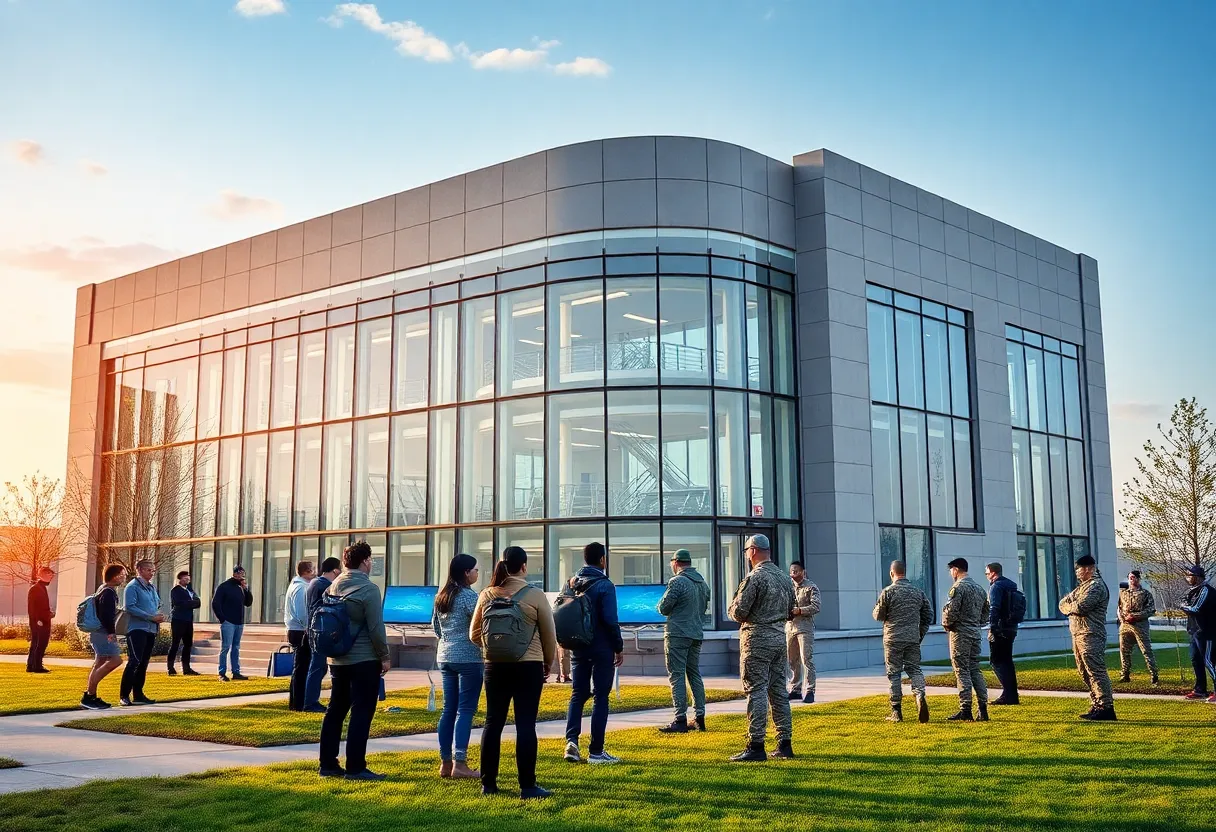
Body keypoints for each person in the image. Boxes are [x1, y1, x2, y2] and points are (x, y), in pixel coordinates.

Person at [470, 546, 557, 800]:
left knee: (492, 723)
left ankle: (488, 784)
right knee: (526, 725)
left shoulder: (486, 594)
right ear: (524, 566)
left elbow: (474, 634)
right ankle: (527, 786)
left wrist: (494, 647)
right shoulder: (535, 595)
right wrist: (547, 662)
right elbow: (549, 635)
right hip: (528, 666)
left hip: (494, 666)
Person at [318, 541, 391, 781]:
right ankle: (356, 767)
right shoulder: (369, 589)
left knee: (335, 710)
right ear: (365, 561)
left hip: (337, 658)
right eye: (370, 559)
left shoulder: (333, 586)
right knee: (362, 711)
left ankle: (328, 764)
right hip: (364, 659)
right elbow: (376, 628)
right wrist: (385, 656)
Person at [726, 534, 796, 762]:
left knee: (755, 690)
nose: (746, 555)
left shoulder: (755, 578)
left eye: (747, 550)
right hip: (779, 639)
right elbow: (790, 611)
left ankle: (755, 745)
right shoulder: (785, 578)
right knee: (778, 692)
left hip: (756, 639)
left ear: (753, 550)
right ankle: (784, 743)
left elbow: (738, 612)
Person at [562, 541, 625, 765]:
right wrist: (618, 647)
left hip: (577, 645)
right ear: (602, 560)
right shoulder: (605, 585)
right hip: (601, 647)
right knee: (601, 697)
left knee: (578, 694)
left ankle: (571, 742)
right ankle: (596, 752)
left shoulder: (571, 583)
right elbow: (610, 620)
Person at [432, 553, 483, 779]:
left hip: (445, 656)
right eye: (475, 570)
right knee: (465, 710)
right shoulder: (470, 597)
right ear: (466, 573)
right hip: (468, 658)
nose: (477, 573)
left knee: (448, 710)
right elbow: (481, 626)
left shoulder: (441, 596)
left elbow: (436, 629)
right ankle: (460, 763)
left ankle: (445, 762)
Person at [656, 548, 711, 733]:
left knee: (677, 675)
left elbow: (664, 608)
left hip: (678, 634)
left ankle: (680, 719)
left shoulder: (677, 582)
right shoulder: (702, 583)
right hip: (696, 633)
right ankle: (699, 717)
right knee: (694, 673)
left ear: (676, 562)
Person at [873, 560, 933, 723]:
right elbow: (928, 615)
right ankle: (919, 694)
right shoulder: (918, 592)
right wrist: (919, 633)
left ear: (892, 573)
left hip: (893, 638)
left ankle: (896, 711)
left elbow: (878, 615)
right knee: (914, 669)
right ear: (905, 573)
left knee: (894, 673)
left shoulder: (888, 592)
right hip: (912, 638)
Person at [1059, 554, 1115, 720]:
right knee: (1084, 671)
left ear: (1089, 568)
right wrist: (1070, 607)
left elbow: (1081, 606)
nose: (1077, 572)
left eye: (1079, 569)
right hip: (1078, 634)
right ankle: (1097, 703)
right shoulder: (1082, 587)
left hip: (1090, 634)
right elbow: (1062, 603)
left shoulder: (1096, 586)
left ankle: (1106, 707)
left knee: (1095, 671)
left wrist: (1070, 607)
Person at [941, 558, 990, 722]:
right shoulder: (980, 589)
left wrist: (947, 624)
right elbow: (986, 613)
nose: (951, 574)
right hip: (975, 633)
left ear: (956, 569)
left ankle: (965, 709)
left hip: (960, 633)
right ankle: (983, 709)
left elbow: (951, 611)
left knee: (961, 670)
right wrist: (976, 624)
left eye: (951, 570)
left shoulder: (958, 587)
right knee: (975, 669)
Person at [80, 563, 126, 709]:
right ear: (115, 576)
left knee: (99, 662)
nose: (124, 577)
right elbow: (107, 616)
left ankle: (90, 696)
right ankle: (89, 694)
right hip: (103, 633)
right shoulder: (108, 593)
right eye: (122, 574)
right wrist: (112, 633)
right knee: (116, 660)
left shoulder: (102, 589)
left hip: (98, 633)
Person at [119, 558, 165, 706]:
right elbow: (129, 607)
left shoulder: (151, 587)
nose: (151, 573)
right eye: (148, 570)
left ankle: (138, 694)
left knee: (144, 662)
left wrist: (158, 615)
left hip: (151, 629)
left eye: (153, 570)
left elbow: (156, 603)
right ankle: (124, 696)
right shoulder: (132, 587)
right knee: (134, 661)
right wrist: (151, 616)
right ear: (139, 570)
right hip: (137, 629)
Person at [303, 557, 342, 712]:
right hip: (321, 631)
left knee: (318, 667)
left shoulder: (314, 583)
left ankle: (311, 701)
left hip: (314, 629)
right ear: (335, 570)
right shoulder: (326, 586)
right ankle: (310, 703)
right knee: (317, 667)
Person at [984, 562, 1020, 705]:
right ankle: (1011, 694)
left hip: (1000, 628)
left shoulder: (996, 587)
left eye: (987, 573)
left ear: (993, 573)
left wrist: (992, 627)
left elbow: (994, 608)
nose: (986, 576)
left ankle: (1009, 695)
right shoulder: (1011, 586)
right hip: (1011, 627)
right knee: (1007, 662)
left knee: (996, 661)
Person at [786, 560, 821, 704]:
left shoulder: (811, 587)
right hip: (790, 627)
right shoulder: (788, 587)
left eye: (796, 571)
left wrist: (800, 610)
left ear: (803, 572)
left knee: (806, 658)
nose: (793, 574)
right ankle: (795, 689)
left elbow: (816, 606)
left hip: (804, 628)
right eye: (791, 571)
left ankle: (810, 690)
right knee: (792, 660)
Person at [211, 564, 253, 682]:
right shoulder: (224, 587)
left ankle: (236, 672)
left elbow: (248, 602)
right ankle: (222, 673)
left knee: (236, 648)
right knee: (225, 648)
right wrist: (222, 619)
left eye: (243, 574)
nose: (241, 576)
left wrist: (246, 589)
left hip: (239, 622)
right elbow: (215, 603)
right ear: (234, 574)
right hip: (228, 622)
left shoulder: (241, 587)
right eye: (239, 574)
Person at [1180, 564, 1215, 702]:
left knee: (1209, 662)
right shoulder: (1192, 591)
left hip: (1207, 632)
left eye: (1190, 575)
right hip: (1195, 631)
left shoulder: (1205, 590)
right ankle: (1200, 690)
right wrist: (1184, 605)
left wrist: (1183, 606)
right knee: (1196, 659)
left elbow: (1195, 608)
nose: (1187, 578)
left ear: (1197, 577)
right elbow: (1182, 601)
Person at [1117, 570, 1159, 685]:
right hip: (1125, 625)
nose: (1132, 579)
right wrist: (1122, 618)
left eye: (1134, 577)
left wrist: (1135, 616)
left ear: (1139, 579)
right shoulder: (1123, 593)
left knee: (1146, 650)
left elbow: (1151, 610)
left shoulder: (1145, 594)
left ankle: (1154, 674)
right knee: (1124, 650)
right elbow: (1119, 608)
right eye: (1130, 577)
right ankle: (1125, 674)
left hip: (1140, 625)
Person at [284, 561, 315, 711]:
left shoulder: (296, 585)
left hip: (296, 629)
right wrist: (308, 627)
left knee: (300, 668)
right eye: (313, 569)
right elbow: (302, 612)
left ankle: (297, 702)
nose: (315, 572)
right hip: (300, 631)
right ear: (307, 571)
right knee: (302, 668)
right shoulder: (301, 588)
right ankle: (298, 703)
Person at [167, 570, 201, 676]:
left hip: (188, 620)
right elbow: (179, 603)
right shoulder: (176, 590)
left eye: (188, 579)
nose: (187, 580)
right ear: (180, 579)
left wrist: (190, 603)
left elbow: (198, 602)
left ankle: (186, 668)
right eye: (185, 578)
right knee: (175, 643)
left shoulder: (189, 590)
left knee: (188, 644)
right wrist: (191, 603)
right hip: (178, 620)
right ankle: (170, 668)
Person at [26, 566, 55, 673]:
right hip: (40, 622)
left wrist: (49, 614)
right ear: (43, 575)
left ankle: (32, 665)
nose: (51, 577)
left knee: (37, 643)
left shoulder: (40, 588)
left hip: (42, 620)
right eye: (50, 575)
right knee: (40, 643)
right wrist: (38, 620)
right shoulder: (36, 589)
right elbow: (33, 608)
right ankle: (36, 666)